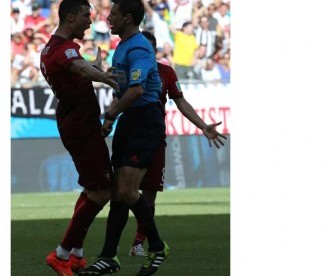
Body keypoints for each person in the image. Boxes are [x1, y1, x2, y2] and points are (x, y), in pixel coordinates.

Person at [78, 1, 169, 275]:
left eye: (113, 14)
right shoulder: (122, 47)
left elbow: (137, 91)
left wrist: (110, 113)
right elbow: (122, 88)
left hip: (144, 119)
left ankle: (157, 246)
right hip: (130, 120)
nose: (108, 19)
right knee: (118, 191)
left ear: (128, 18)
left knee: (127, 190)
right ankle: (108, 256)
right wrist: (112, 119)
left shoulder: (140, 48)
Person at [128, 30, 227, 257]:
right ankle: (110, 249)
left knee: (150, 193)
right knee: (125, 191)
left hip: (155, 139)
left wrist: (202, 125)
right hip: (132, 137)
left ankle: (138, 243)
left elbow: (180, 101)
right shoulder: (130, 70)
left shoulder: (166, 73)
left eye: (147, 48)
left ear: (153, 51)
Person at [39, 0, 119, 275]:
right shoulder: (65, 48)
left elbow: (78, 70)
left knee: (91, 188)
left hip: (75, 122)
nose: (89, 21)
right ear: (71, 17)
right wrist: (109, 80)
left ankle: (76, 254)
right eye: (86, 16)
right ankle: (61, 254)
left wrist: (94, 68)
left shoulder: (52, 48)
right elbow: (80, 69)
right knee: (102, 191)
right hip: (81, 126)